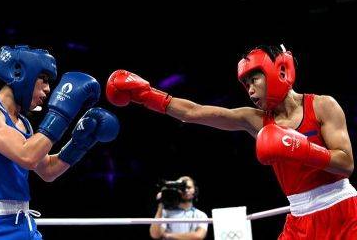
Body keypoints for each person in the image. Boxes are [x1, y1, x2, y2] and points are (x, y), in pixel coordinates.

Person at [106, 44, 357, 239]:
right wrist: (147, 95)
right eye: (245, 84)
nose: (249, 90)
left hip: (342, 209)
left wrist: (299, 147)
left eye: (254, 79)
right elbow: (195, 112)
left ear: (278, 70)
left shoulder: (323, 105)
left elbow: (346, 164)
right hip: (300, 217)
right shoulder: (255, 120)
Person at [0, 45, 120, 240]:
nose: (48, 89)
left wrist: (81, 142)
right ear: (19, 74)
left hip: (22, 223)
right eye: (43, 80)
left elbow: (48, 170)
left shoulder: (23, 123)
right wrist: (62, 112)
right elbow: (27, 156)